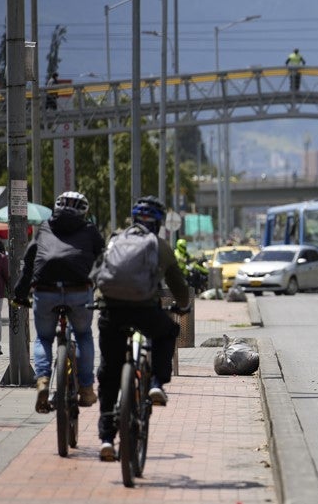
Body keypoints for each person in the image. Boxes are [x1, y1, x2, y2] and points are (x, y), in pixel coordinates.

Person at [95, 195, 191, 462]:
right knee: (168, 331)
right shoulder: (160, 246)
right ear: (159, 224)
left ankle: (106, 438)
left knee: (108, 373)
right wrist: (183, 306)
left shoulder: (115, 239)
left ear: (134, 220)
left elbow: (99, 272)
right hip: (144, 310)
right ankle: (157, 383)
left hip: (111, 311)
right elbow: (178, 285)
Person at [12, 191, 105, 413]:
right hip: (79, 291)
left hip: (45, 291)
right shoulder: (90, 230)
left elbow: (29, 260)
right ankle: (86, 388)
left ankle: (43, 380)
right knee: (83, 335)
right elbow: (103, 259)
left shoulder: (45, 227)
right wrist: (100, 287)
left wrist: (20, 294)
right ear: (84, 212)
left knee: (44, 338)